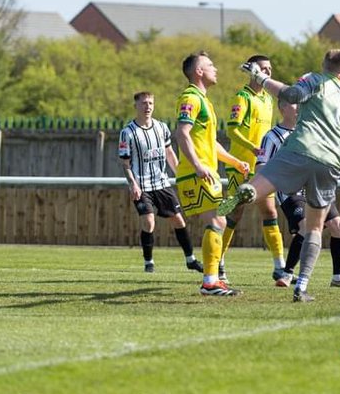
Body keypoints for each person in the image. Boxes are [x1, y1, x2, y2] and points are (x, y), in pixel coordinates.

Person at [230, 48, 340, 303]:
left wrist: (261, 79)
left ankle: (245, 196)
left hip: (301, 149)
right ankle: (301, 285)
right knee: (314, 229)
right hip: (330, 163)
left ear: (324, 64)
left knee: (258, 185)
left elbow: (291, 94)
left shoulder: (314, 79)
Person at [174, 51, 250, 296]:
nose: (215, 68)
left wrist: (235, 161)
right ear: (198, 71)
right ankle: (209, 282)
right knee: (218, 220)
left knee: (221, 218)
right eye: (210, 65)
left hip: (207, 171)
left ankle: (214, 278)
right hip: (197, 173)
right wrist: (197, 165)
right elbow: (182, 133)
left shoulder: (205, 101)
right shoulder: (191, 97)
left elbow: (211, 142)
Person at [261, 97, 340, 288]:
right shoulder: (271, 137)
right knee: (305, 227)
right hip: (290, 192)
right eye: (295, 103)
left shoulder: (310, 132)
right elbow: (261, 166)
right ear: (283, 107)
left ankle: (338, 277)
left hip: (315, 188)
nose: (299, 108)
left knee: (338, 226)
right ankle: (287, 274)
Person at [219, 54, 290, 286]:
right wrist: (253, 147)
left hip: (263, 167)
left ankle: (279, 267)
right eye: (263, 68)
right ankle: (217, 262)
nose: (268, 72)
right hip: (241, 165)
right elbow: (232, 130)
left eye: (270, 68)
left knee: (270, 213)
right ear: (252, 70)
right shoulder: (242, 97)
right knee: (234, 213)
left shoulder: (269, 99)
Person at [119, 91, 202, 274]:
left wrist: (180, 174)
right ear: (136, 106)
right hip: (142, 186)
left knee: (178, 220)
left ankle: (191, 260)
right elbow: (125, 163)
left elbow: (169, 153)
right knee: (149, 222)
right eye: (143, 103)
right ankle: (149, 262)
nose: (147, 106)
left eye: (150, 103)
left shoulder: (162, 127)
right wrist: (132, 183)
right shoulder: (128, 132)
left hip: (162, 184)